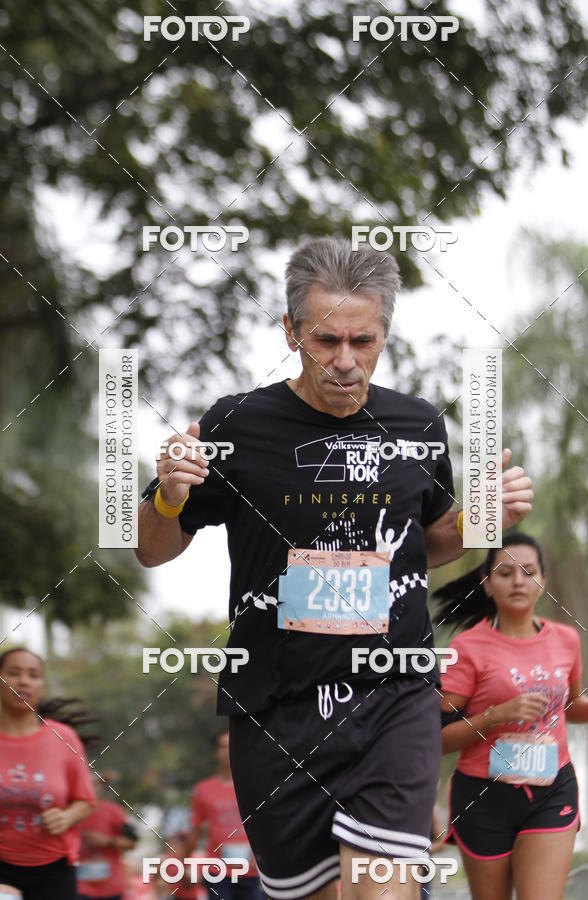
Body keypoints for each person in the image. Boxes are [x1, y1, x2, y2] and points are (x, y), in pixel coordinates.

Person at [135, 236, 533, 900]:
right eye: (325, 341)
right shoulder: (236, 423)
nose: (345, 362)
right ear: (290, 331)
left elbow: (429, 542)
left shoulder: (417, 424)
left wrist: (479, 516)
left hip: (394, 694)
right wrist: (167, 494)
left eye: (363, 341)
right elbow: (153, 548)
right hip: (277, 708)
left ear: (384, 334)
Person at [435, 533, 588, 900]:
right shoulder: (467, 648)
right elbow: (437, 738)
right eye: (506, 572)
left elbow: (571, 707)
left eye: (529, 572)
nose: (519, 581)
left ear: (543, 580)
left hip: (552, 789)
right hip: (483, 797)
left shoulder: (566, 640)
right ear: (487, 583)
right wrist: (495, 715)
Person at [0, 647, 96, 899]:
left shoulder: (64, 738)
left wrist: (66, 818)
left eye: (33, 675)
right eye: (13, 673)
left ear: (42, 685)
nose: (24, 681)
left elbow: (85, 801)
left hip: (54, 869)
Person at [182, 730, 262, 900]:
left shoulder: (254, 785)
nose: (227, 751)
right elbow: (194, 831)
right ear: (215, 753)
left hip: (252, 870)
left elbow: (267, 825)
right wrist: (185, 864)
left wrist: (261, 856)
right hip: (217, 872)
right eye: (222, 747)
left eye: (231, 746)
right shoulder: (203, 789)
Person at [76, 770, 138, 900]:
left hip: (111, 887)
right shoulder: (72, 811)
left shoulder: (114, 811)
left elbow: (132, 843)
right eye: (85, 784)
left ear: (100, 787)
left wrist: (108, 841)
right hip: (80, 886)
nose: (90, 788)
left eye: (94, 784)